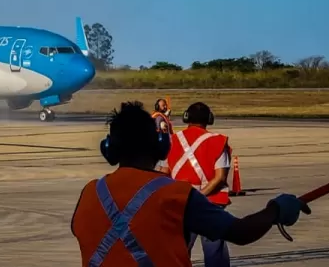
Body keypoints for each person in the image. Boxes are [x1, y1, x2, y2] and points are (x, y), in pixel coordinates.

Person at [71, 101, 309, 267]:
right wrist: (276, 209)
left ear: (109, 149)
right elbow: (241, 232)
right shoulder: (174, 194)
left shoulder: (90, 192)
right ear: (159, 145)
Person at [161, 102, 231, 266]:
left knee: (178, 252)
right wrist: (199, 196)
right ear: (209, 119)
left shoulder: (172, 140)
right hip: (210, 202)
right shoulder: (218, 142)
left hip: (180, 203)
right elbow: (220, 177)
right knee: (215, 254)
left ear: (186, 117)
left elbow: (163, 173)